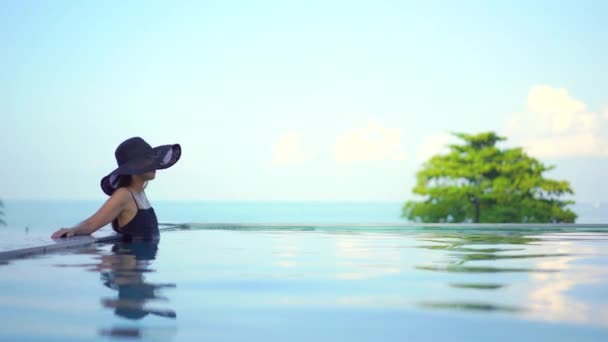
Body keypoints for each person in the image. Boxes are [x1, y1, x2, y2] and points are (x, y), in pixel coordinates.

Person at [51, 137, 181, 241]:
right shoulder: (124, 195)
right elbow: (91, 223)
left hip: (139, 271)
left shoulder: (140, 193)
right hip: (126, 271)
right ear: (133, 166)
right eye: (147, 159)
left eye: (153, 159)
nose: (154, 164)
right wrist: (73, 229)